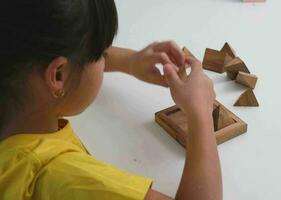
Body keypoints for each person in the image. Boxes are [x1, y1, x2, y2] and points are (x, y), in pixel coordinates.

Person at [0, 0, 222, 199]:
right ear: (58, 75)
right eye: (101, 56)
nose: (106, 59)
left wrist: (130, 60)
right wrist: (200, 113)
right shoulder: (58, 176)